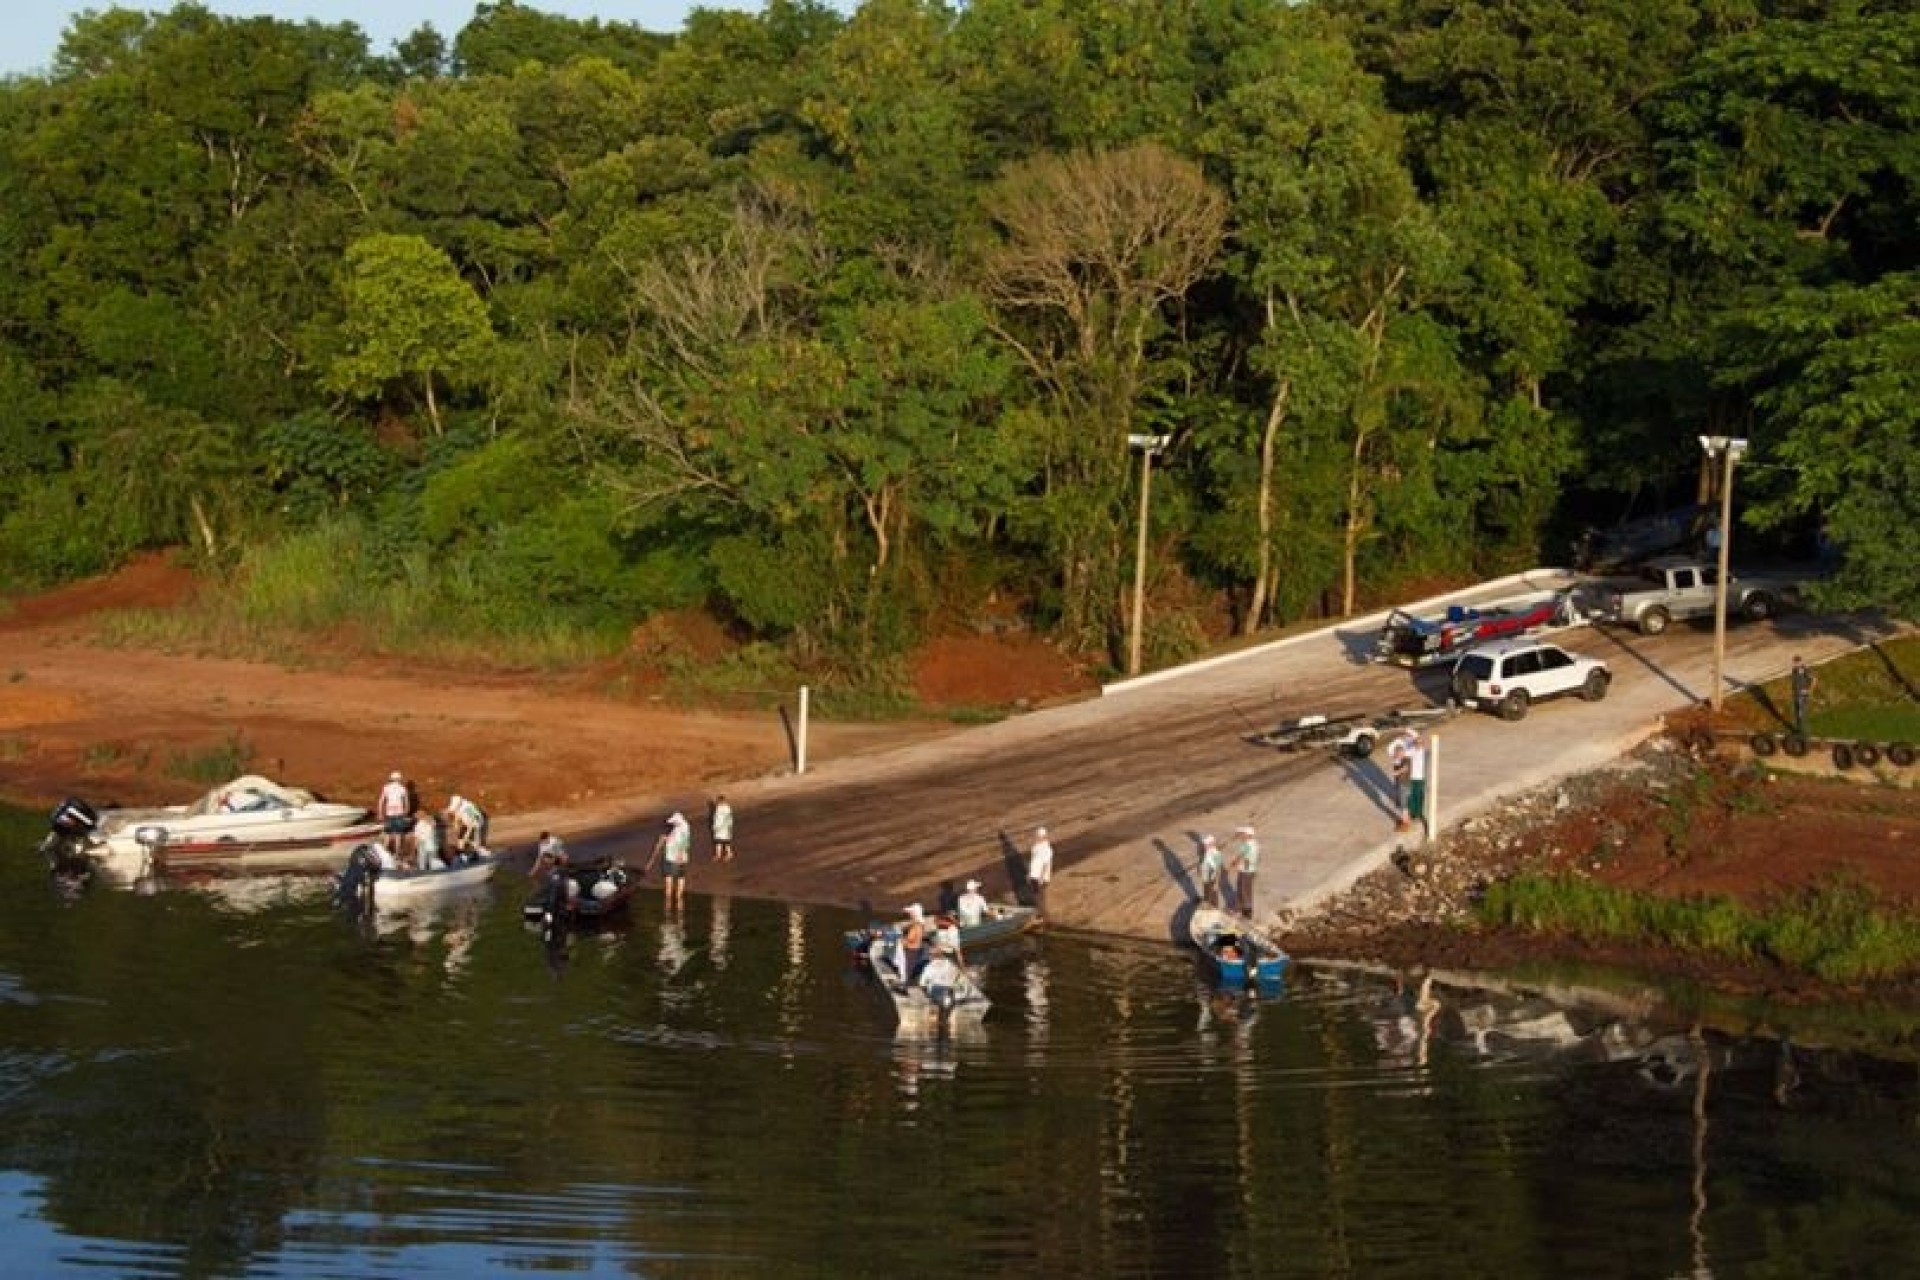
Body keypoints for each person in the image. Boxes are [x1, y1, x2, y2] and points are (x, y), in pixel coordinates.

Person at [644, 811, 692, 909]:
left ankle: (668, 907)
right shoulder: (684, 828)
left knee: (669, 884)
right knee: (680, 880)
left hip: (672, 859)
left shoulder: (679, 830)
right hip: (682, 860)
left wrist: (679, 854)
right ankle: (678, 905)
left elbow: (683, 843)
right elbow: (683, 842)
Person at [918, 943, 966, 1011]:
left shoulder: (928, 968)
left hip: (940, 992)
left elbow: (922, 985)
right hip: (952, 991)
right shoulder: (951, 964)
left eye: (930, 955)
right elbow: (962, 969)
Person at [375, 771, 413, 860]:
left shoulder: (386, 788)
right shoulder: (402, 788)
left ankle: (382, 855)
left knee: (387, 834)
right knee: (398, 835)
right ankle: (396, 855)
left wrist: (380, 813)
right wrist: (406, 814)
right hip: (399, 814)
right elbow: (407, 804)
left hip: (389, 814)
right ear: (399, 779)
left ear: (391, 779)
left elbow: (381, 801)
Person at [1387, 729, 1417, 832]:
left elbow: (1405, 769)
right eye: (1396, 752)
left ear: (1402, 752)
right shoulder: (1401, 759)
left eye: (1398, 752)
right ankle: (1405, 821)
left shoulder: (1406, 759)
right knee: (1403, 805)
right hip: (1402, 784)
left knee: (1404, 805)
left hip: (1404, 784)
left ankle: (1405, 824)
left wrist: (1397, 772)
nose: (1397, 754)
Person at [1229, 825, 1261, 917]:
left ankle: (1245, 912)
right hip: (1249, 870)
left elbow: (1240, 856)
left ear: (1248, 835)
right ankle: (1243, 910)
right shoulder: (1254, 843)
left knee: (1243, 890)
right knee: (1245, 890)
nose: (1241, 836)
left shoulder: (1247, 845)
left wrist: (1231, 865)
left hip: (1246, 871)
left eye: (1242, 834)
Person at [1026, 826, 1054, 917]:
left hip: (1041, 877)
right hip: (1034, 875)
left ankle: (1043, 915)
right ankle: (1040, 914)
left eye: (1040, 836)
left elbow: (1046, 864)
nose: (1037, 837)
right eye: (1037, 836)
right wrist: (1029, 873)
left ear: (1044, 836)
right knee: (1036, 896)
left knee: (1040, 896)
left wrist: (1041, 877)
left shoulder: (1047, 849)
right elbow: (1032, 861)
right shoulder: (1035, 847)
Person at [1405, 733, 1429, 834]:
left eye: (1420, 743)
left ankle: (1419, 813)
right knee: (1411, 797)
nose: (1418, 745)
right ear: (1414, 743)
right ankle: (1412, 814)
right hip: (1411, 778)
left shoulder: (1425, 752)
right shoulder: (1411, 751)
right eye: (1417, 743)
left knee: (1420, 796)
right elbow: (1403, 753)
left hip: (1421, 778)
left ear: (1423, 744)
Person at [1790, 656, 1816, 737]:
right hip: (1796, 695)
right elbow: (1795, 683)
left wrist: (1809, 690)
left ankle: (1804, 732)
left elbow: (1814, 680)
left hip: (1802, 695)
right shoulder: (1794, 670)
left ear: (1801, 662)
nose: (1796, 664)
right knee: (1797, 713)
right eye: (1795, 662)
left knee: (1801, 713)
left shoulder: (1805, 670)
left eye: (1798, 662)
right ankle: (1799, 730)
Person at [1197, 833, 1223, 907]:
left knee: (1213, 896)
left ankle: (1214, 909)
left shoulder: (1216, 854)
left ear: (1212, 843)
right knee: (1207, 894)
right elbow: (1202, 862)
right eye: (1205, 844)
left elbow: (1218, 869)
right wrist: (1199, 870)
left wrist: (1216, 883)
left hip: (1212, 879)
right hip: (1206, 878)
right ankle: (1207, 906)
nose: (1205, 845)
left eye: (1207, 844)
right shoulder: (1206, 852)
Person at [710, 794, 735, 862]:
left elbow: (729, 819)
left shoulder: (726, 808)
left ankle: (729, 854)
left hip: (724, 828)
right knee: (718, 842)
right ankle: (718, 855)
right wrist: (715, 826)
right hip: (718, 828)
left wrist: (728, 826)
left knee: (726, 842)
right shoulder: (718, 808)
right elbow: (716, 818)